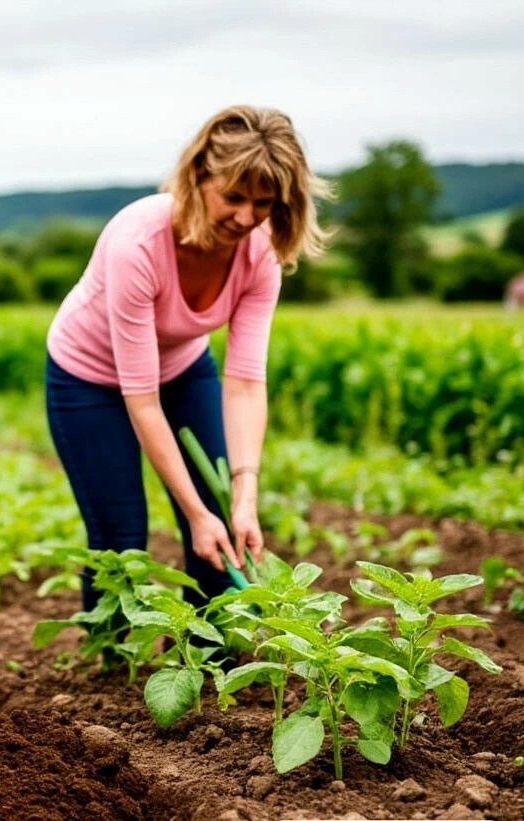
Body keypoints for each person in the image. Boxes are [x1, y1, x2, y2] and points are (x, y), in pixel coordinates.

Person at [45, 106, 331, 612]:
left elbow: (244, 383)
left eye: (263, 203)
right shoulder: (139, 242)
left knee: (223, 519)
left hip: (181, 368)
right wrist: (193, 513)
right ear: (198, 177)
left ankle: (217, 663)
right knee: (121, 536)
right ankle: (112, 665)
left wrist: (244, 494)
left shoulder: (259, 254)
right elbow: (143, 400)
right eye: (234, 197)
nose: (246, 218)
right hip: (87, 377)